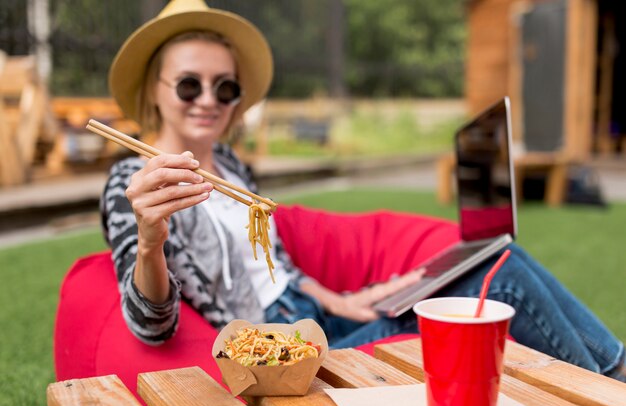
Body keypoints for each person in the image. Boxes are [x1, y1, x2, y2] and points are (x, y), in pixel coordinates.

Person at [100, 0, 625, 382]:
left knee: (495, 255)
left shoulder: (232, 166)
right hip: (285, 353)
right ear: (155, 88)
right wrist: (150, 240)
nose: (209, 100)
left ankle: (611, 378)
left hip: (321, 318)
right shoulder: (133, 183)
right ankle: (609, 387)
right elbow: (151, 328)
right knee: (500, 276)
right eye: (190, 84)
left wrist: (353, 299)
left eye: (226, 87)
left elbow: (274, 269)